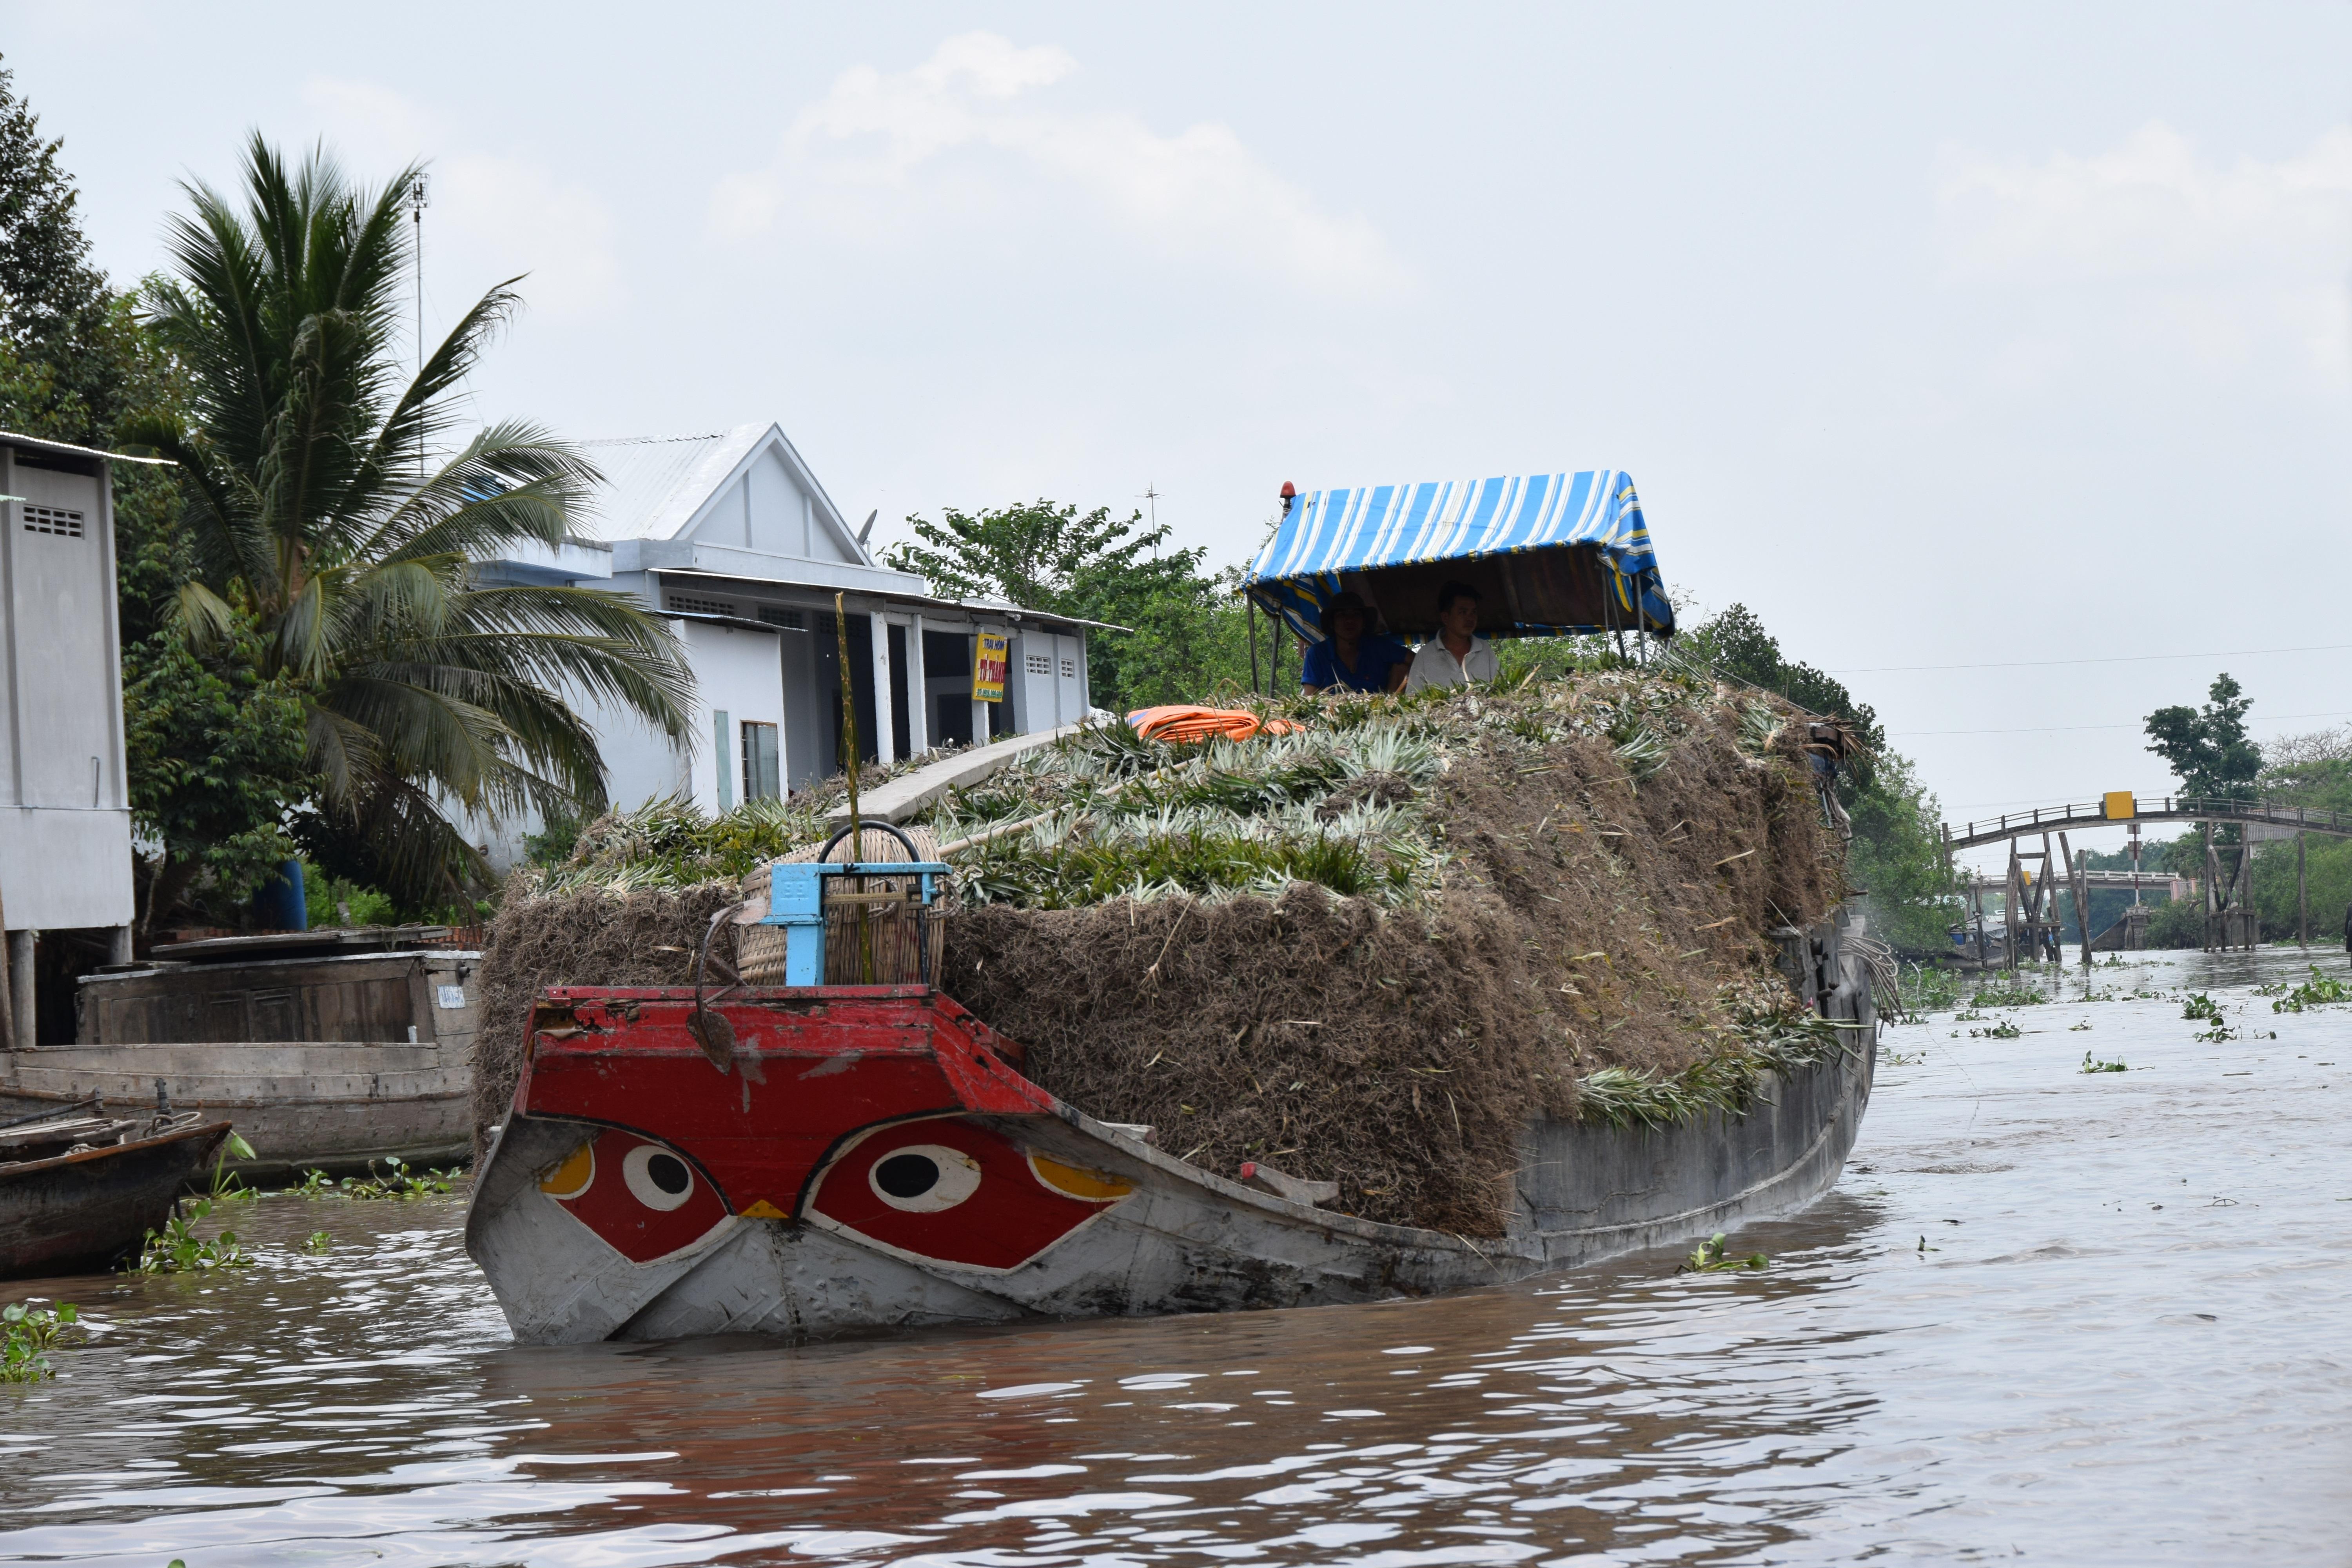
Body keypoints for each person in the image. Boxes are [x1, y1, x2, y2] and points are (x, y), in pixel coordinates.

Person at [1299, 592, 1409, 695]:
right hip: (1332, 714)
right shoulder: (1317, 654)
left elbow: (1417, 660)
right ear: (1332, 623)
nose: (1349, 621)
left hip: (1379, 713)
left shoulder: (1380, 646)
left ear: (1364, 622)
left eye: (1356, 615)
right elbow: (1310, 698)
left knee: (1402, 667)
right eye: (1342, 615)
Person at [1404, 580, 1499, 692]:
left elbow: (1501, 693)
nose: (1471, 619)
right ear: (1446, 618)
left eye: (1473, 612)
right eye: (1463, 612)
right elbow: (1413, 698)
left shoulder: (1485, 650)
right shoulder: (1425, 655)